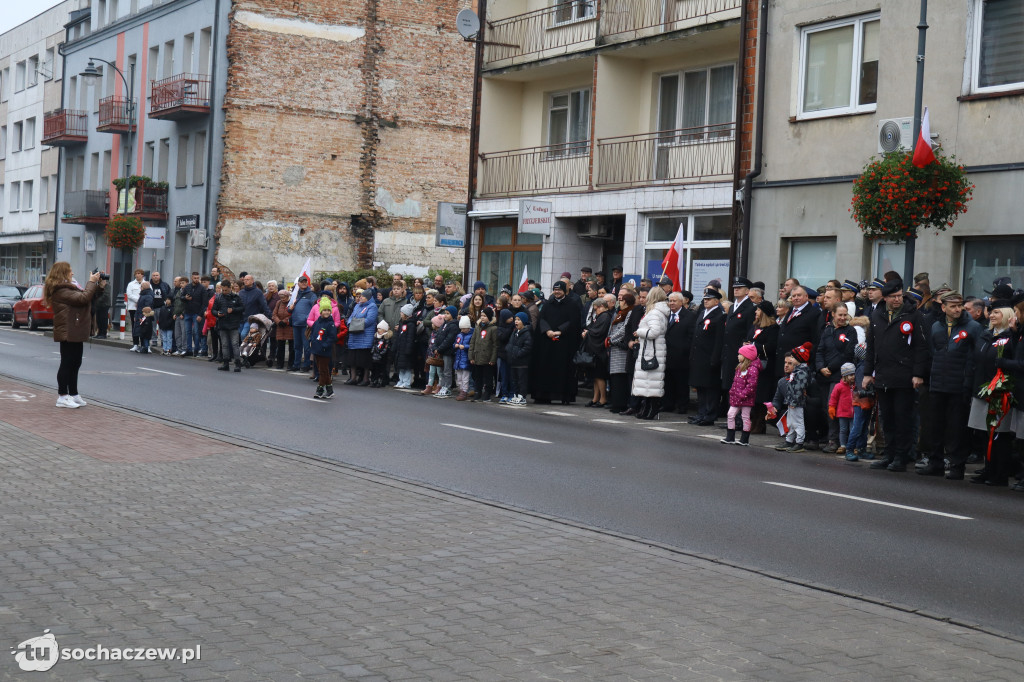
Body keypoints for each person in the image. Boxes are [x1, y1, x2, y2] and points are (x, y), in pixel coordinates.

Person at [863, 282, 928, 472]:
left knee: (903, 418)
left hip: (904, 375)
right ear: (885, 298)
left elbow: (921, 347)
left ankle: (901, 457)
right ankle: (889, 454)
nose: (897, 299)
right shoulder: (877, 315)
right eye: (893, 296)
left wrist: (918, 373)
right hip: (883, 375)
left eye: (899, 295)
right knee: (887, 419)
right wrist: (867, 373)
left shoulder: (913, 315)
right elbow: (871, 347)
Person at [921, 290, 982, 478]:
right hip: (938, 383)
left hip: (959, 385)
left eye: (959, 305)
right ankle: (935, 463)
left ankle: (957, 466)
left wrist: (968, 383)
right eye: (953, 306)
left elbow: (976, 358)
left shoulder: (973, 327)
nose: (957, 309)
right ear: (943, 307)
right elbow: (933, 353)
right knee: (935, 426)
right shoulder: (936, 326)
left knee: (957, 429)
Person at [967, 303, 1017, 486]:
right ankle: (988, 469)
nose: (992, 316)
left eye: (997, 312)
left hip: (999, 392)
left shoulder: (1010, 337)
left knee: (999, 435)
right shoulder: (986, 335)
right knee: (984, 433)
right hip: (982, 389)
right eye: (992, 312)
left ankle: (1000, 473)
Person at [45, 263, 100, 408]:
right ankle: (62, 396)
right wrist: (91, 282)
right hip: (68, 330)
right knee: (67, 363)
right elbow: (83, 298)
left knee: (76, 362)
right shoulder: (61, 290)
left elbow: (88, 298)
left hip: (75, 329)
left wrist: (98, 286)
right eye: (70, 271)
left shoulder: (71, 287)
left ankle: (74, 394)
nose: (72, 273)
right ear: (62, 273)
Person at [814, 303, 857, 452]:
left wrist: (830, 368)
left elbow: (847, 353)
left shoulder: (850, 331)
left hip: (839, 375)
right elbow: (820, 350)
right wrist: (820, 367)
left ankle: (835, 440)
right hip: (824, 374)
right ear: (833, 314)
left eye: (845, 315)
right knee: (826, 408)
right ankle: (830, 437)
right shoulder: (827, 330)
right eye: (840, 315)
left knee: (833, 406)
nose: (843, 318)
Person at [532, 281, 583, 404]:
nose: (557, 292)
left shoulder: (572, 304)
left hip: (565, 344)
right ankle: (544, 396)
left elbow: (574, 322)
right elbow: (541, 319)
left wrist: (560, 331)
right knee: (545, 369)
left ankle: (565, 396)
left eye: (559, 290)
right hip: (548, 343)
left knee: (564, 370)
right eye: (555, 290)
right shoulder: (548, 304)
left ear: (565, 290)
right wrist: (547, 330)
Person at [631, 287, 670, 420]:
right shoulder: (659, 312)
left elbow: (654, 332)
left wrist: (639, 332)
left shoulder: (654, 313)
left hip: (651, 351)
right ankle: (647, 407)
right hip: (653, 349)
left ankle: (652, 408)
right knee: (650, 382)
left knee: (650, 381)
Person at [689, 288, 726, 426]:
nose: (706, 301)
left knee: (710, 388)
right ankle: (701, 413)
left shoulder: (719, 315)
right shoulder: (702, 313)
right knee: (700, 387)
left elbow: (719, 340)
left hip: (709, 356)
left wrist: (715, 358)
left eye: (709, 299)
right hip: (698, 356)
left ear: (716, 301)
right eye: (705, 299)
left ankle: (709, 415)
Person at [745, 301, 780, 434]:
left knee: (761, 396)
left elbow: (771, 347)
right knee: (753, 395)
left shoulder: (773, 328)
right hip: (751, 365)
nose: (756, 312)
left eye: (758, 310)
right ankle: (753, 422)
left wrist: (754, 346)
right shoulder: (755, 326)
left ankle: (760, 424)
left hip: (764, 366)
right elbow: (749, 339)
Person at [770, 345, 812, 453]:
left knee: (798, 423)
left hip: (796, 403)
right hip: (792, 402)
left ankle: (799, 442)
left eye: (793, 358)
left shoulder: (801, 372)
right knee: (791, 423)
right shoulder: (797, 372)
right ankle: (789, 440)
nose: (791, 360)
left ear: (799, 358)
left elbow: (798, 389)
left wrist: (794, 401)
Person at [721, 344, 760, 445]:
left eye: (740, 354)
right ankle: (730, 436)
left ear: (746, 356)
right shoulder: (740, 367)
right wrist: (732, 391)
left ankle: (744, 438)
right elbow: (735, 382)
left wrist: (743, 394)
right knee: (730, 414)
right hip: (736, 397)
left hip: (746, 398)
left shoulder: (753, 369)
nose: (738, 356)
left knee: (745, 417)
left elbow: (752, 385)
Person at [663, 291, 695, 414]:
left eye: (674, 301)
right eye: (670, 301)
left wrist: (684, 350)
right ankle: (668, 404)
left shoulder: (689, 316)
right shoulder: (666, 315)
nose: (671, 303)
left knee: (681, 383)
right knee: (668, 382)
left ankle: (682, 405)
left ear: (681, 302)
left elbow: (691, 336)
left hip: (681, 356)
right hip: (667, 354)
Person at [581, 297, 612, 408]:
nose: (595, 311)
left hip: (600, 351)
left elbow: (599, 332)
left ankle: (603, 398)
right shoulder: (601, 316)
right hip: (595, 351)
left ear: (602, 306)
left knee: (599, 376)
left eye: (596, 309)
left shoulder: (605, 316)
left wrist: (588, 333)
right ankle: (595, 398)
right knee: (595, 376)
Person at [346, 289, 379, 386]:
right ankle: (353, 377)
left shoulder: (372, 306)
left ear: (368, 297)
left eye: (363, 296)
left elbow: (369, 320)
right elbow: (351, 317)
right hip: (354, 334)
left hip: (365, 335)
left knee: (364, 359)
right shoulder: (357, 306)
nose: (360, 298)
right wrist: (350, 323)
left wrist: (355, 324)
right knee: (352, 358)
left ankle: (365, 378)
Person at [213, 278, 244, 372]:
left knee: (235, 344)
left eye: (226, 290)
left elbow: (242, 308)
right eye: (223, 290)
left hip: (233, 324)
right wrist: (217, 314)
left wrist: (233, 310)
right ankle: (225, 363)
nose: (224, 292)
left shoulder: (236, 297)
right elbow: (213, 309)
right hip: (222, 324)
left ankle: (237, 363)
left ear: (230, 288)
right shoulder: (218, 298)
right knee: (224, 344)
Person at [308, 300, 337, 399]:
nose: (326, 312)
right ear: (320, 311)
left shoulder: (331, 324)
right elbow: (313, 333)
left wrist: (325, 345)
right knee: (323, 370)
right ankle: (329, 390)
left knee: (323, 371)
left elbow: (332, 337)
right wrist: (311, 340)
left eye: (328, 310)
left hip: (325, 350)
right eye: (324, 310)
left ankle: (320, 389)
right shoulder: (317, 322)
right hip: (316, 349)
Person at [288, 276, 317, 372]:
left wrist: (307, 319)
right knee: (297, 346)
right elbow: (289, 308)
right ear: (298, 284)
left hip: (305, 325)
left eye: (305, 282)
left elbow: (314, 308)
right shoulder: (295, 294)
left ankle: (306, 365)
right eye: (302, 282)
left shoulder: (312, 295)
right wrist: (290, 309)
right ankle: (296, 364)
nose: (304, 283)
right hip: (296, 323)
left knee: (306, 346)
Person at [429, 305, 459, 398]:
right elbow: (438, 337)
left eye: (448, 314)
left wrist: (439, 349)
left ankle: (447, 387)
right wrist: (435, 347)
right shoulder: (444, 324)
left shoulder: (454, 326)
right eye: (445, 313)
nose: (445, 315)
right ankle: (442, 386)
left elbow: (449, 340)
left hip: (448, 352)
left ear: (453, 315)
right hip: (441, 351)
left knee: (447, 370)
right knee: (441, 371)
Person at [469, 308, 498, 402]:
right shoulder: (477, 327)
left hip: (487, 358)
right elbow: (472, 342)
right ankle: (478, 391)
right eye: (481, 316)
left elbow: (495, 345)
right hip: (477, 356)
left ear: (489, 317)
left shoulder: (493, 328)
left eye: (485, 316)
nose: (482, 318)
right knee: (478, 377)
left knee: (488, 377)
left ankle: (487, 393)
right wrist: (471, 356)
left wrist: (493, 359)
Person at [505, 312, 533, 406]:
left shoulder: (527, 333)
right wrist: (509, 351)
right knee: (515, 380)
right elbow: (510, 344)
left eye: (519, 320)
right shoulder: (514, 332)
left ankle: (522, 397)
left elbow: (527, 347)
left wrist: (518, 353)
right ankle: (516, 395)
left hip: (522, 362)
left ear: (523, 321)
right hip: (514, 361)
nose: (516, 322)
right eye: (515, 319)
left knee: (522, 380)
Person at [182, 272, 207, 356]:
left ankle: (196, 349)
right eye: (195, 278)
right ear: (191, 278)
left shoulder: (202, 288)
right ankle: (189, 350)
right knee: (188, 332)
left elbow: (204, 303)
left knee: (196, 332)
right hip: (188, 312)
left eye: (197, 278)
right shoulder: (187, 287)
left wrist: (200, 314)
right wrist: (185, 298)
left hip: (196, 312)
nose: (196, 279)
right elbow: (181, 297)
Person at [393, 304, 417, 389]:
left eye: (402, 313)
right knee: (401, 366)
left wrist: (408, 349)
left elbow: (410, 338)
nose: (400, 314)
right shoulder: (402, 323)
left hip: (406, 348)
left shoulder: (411, 325)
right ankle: (401, 380)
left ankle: (406, 382)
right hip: (401, 347)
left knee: (406, 366)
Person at [271, 289, 293, 369]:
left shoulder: (291, 303)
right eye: (281, 297)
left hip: (289, 327)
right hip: (280, 326)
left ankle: (290, 364)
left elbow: (292, 314)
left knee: (291, 346)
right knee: (280, 346)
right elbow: (274, 314)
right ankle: (280, 364)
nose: (282, 299)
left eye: (284, 297)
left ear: (287, 296)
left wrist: (285, 321)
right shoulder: (279, 303)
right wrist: (278, 321)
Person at [452, 316, 474, 400]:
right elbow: (454, 343)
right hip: (458, 358)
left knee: (465, 377)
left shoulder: (471, 335)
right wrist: (455, 345)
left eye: (464, 328)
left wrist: (465, 346)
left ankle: (464, 391)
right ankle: (461, 390)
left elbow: (472, 346)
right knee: (459, 377)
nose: (462, 330)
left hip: (465, 359)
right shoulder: (459, 335)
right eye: (461, 328)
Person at [370, 320, 394, 388]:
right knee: (375, 369)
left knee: (382, 369)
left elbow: (386, 347)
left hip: (382, 357)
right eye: (378, 328)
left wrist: (381, 353)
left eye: (380, 328)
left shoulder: (386, 338)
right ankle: (375, 379)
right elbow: (374, 345)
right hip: (375, 355)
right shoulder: (376, 337)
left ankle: (381, 380)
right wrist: (373, 351)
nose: (378, 330)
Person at [125, 268, 144, 350]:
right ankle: (135, 344)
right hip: (133, 308)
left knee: (143, 325)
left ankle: (143, 344)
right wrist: (138, 301)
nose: (137, 275)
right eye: (136, 273)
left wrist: (141, 302)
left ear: (142, 275)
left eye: (139, 273)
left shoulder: (146, 284)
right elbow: (129, 295)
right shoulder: (131, 284)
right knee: (135, 326)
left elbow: (149, 293)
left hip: (143, 308)